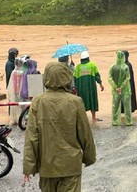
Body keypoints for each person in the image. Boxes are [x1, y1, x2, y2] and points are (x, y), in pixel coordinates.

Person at [23, 62, 96, 192]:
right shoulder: (75, 101)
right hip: (70, 165)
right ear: (67, 77)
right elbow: (85, 133)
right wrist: (89, 157)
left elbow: (32, 137)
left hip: (47, 166)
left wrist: (29, 167)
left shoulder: (38, 102)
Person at [74, 51, 104, 123]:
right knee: (92, 101)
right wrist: (100, 84)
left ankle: (84, 119)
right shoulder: (92, 65)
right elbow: (97, 75)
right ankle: (93, 118)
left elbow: (74, 78)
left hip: (81, 89)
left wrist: (75, 88)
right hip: (91, 88)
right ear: (88, 58)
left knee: (82, 102)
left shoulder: (78, 67)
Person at [108, 51, 132, 126]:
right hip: (125, 90)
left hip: (115, 91)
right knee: (127, 107)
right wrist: (121, 87)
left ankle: (115, 121)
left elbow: (109, 78)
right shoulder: (125, 67)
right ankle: (128, 121)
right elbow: (127, 78)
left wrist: (116, 87)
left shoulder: (112, 67)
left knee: (115, 106)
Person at [7, 58, 24, 125]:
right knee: (20, 106)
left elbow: (11, 83)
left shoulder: (13, 72)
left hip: (14, 91)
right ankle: (20, 120)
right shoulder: (22, 73)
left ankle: (14, 120)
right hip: (20, 91)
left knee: (14, 106)